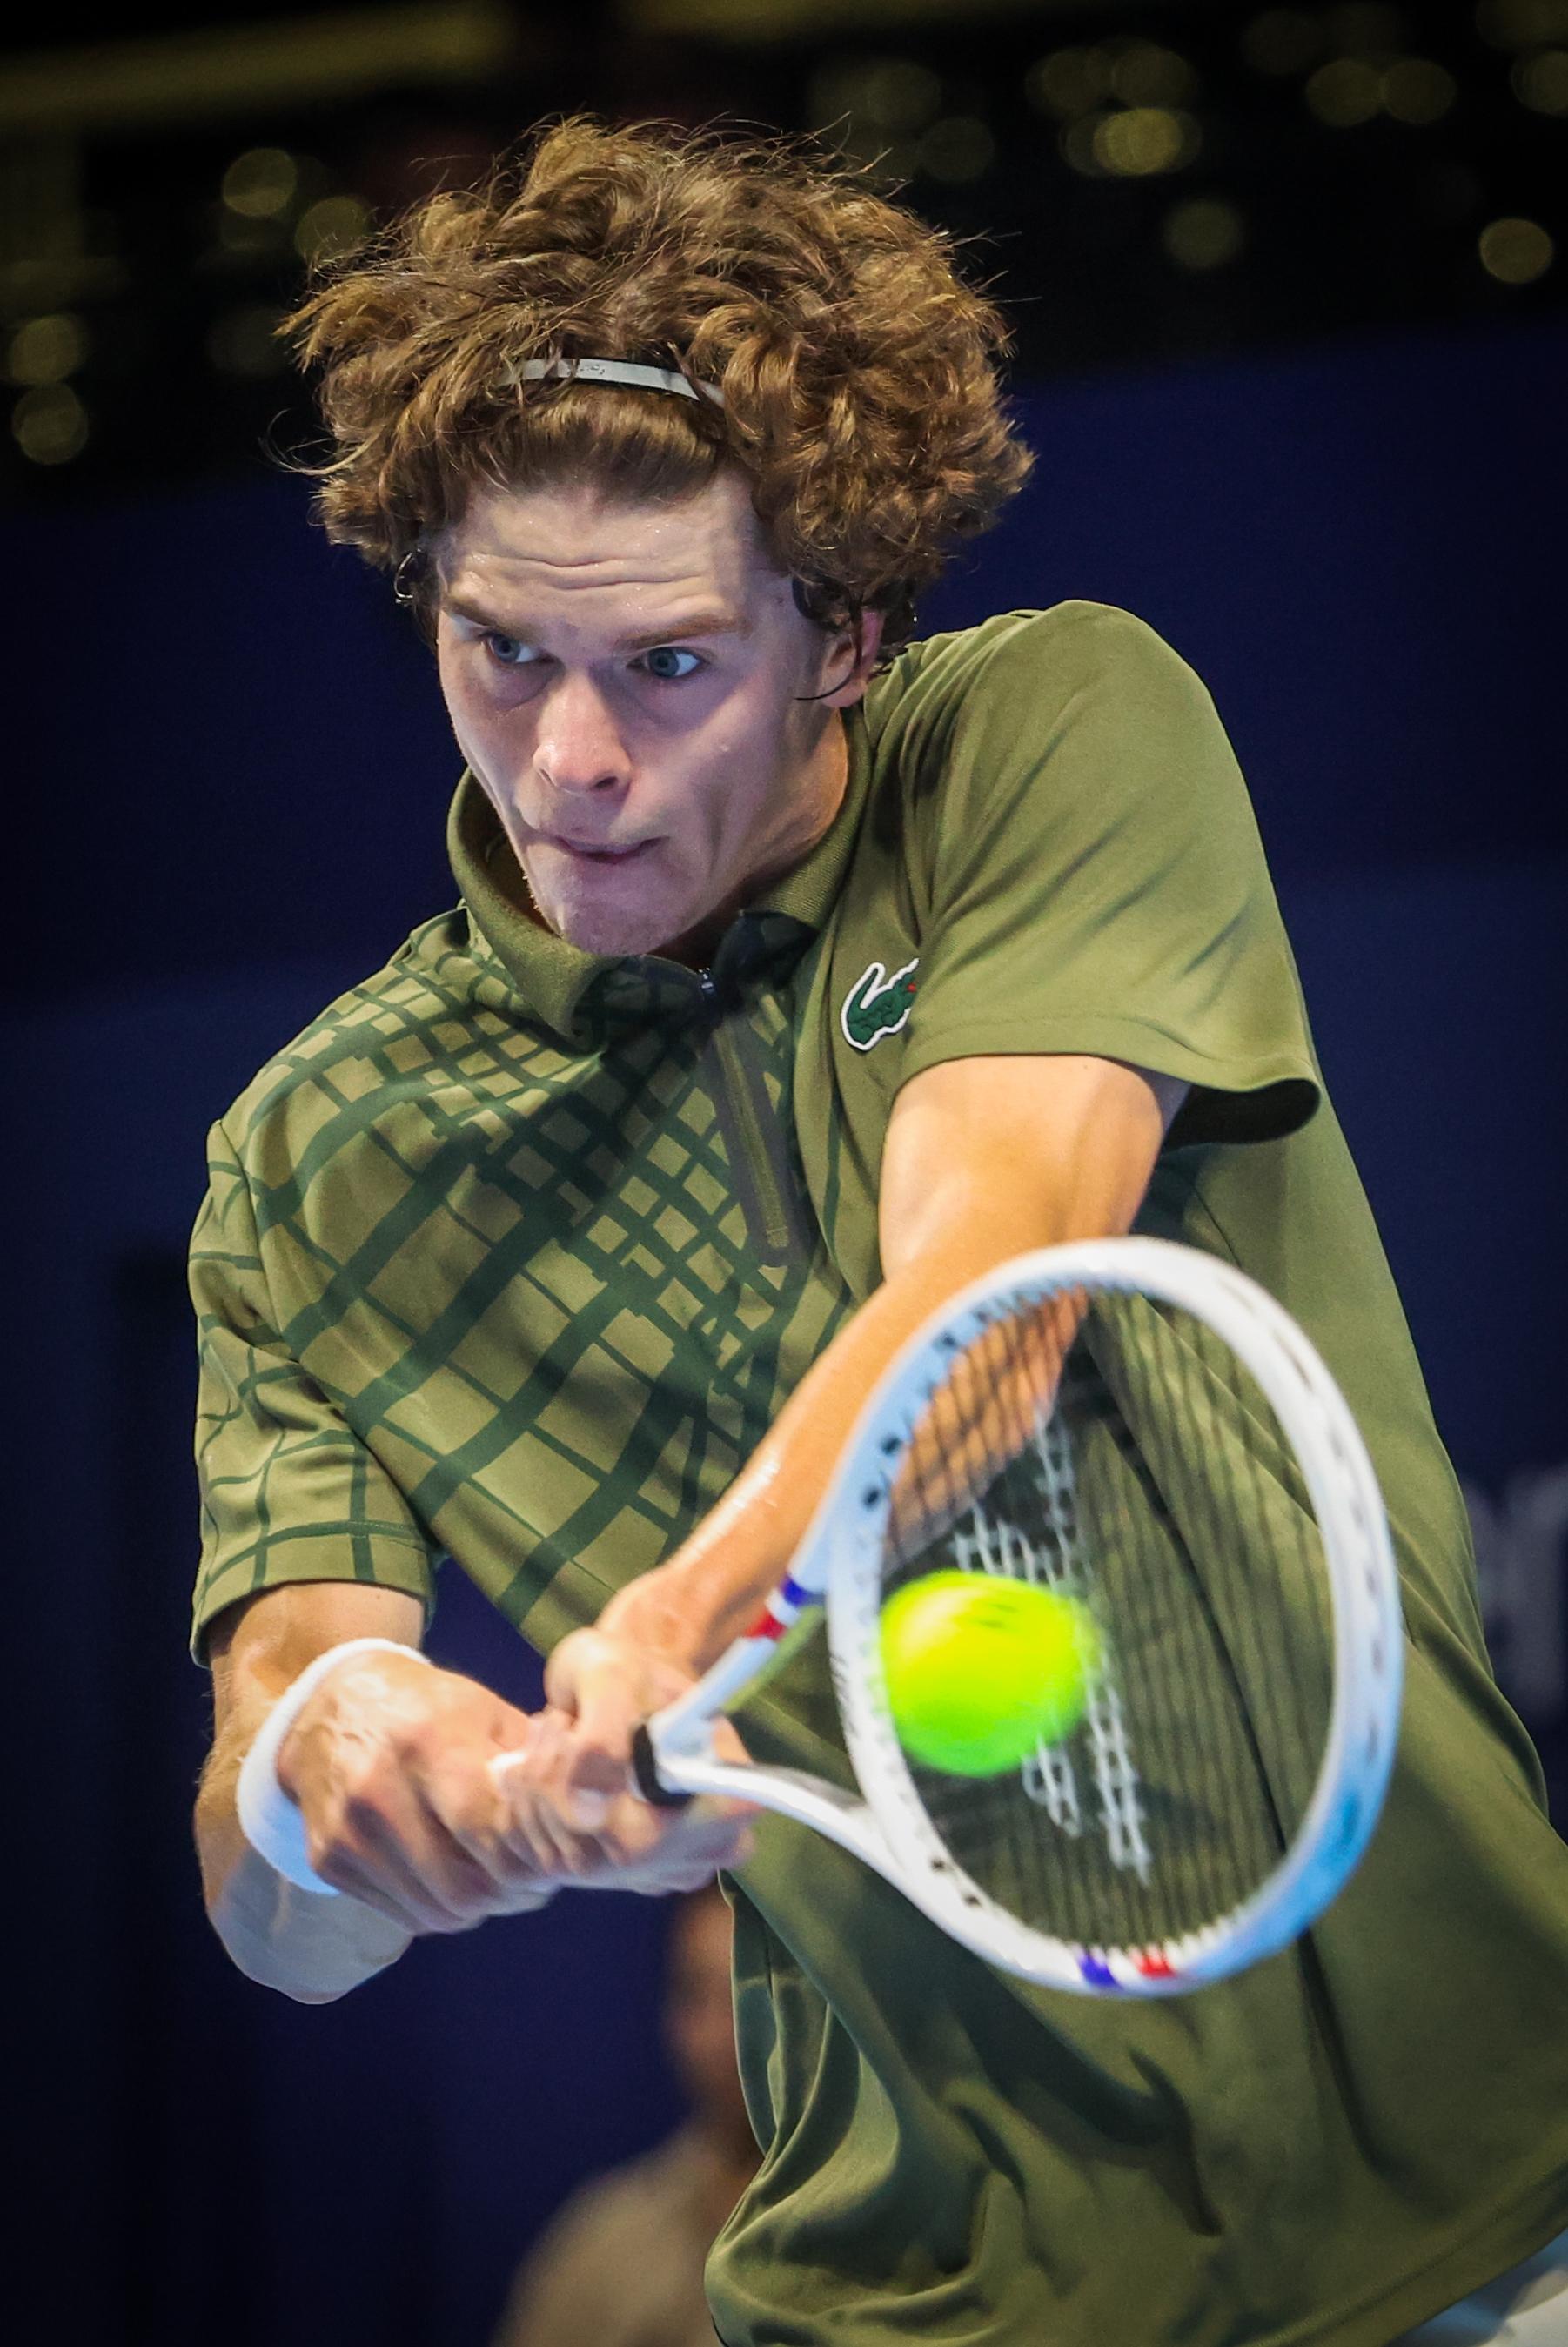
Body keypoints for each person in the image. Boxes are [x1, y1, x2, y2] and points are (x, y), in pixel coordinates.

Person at [189, 117, 1568, 2345]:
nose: (563, 767)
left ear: (845, 637)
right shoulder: (314, 1158)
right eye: (494, 650)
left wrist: (679, 1615)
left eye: (661, 669)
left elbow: (990, 1298)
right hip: (901, 2302)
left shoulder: (1049, 730)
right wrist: (346, 1765)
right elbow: (269, 1880)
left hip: (1497, 2208)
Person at [491, 1885, 758, 2347]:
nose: (720, 2037)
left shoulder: (884, 2246)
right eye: (695, 1994)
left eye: (748, 2000)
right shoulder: (605, 2242)